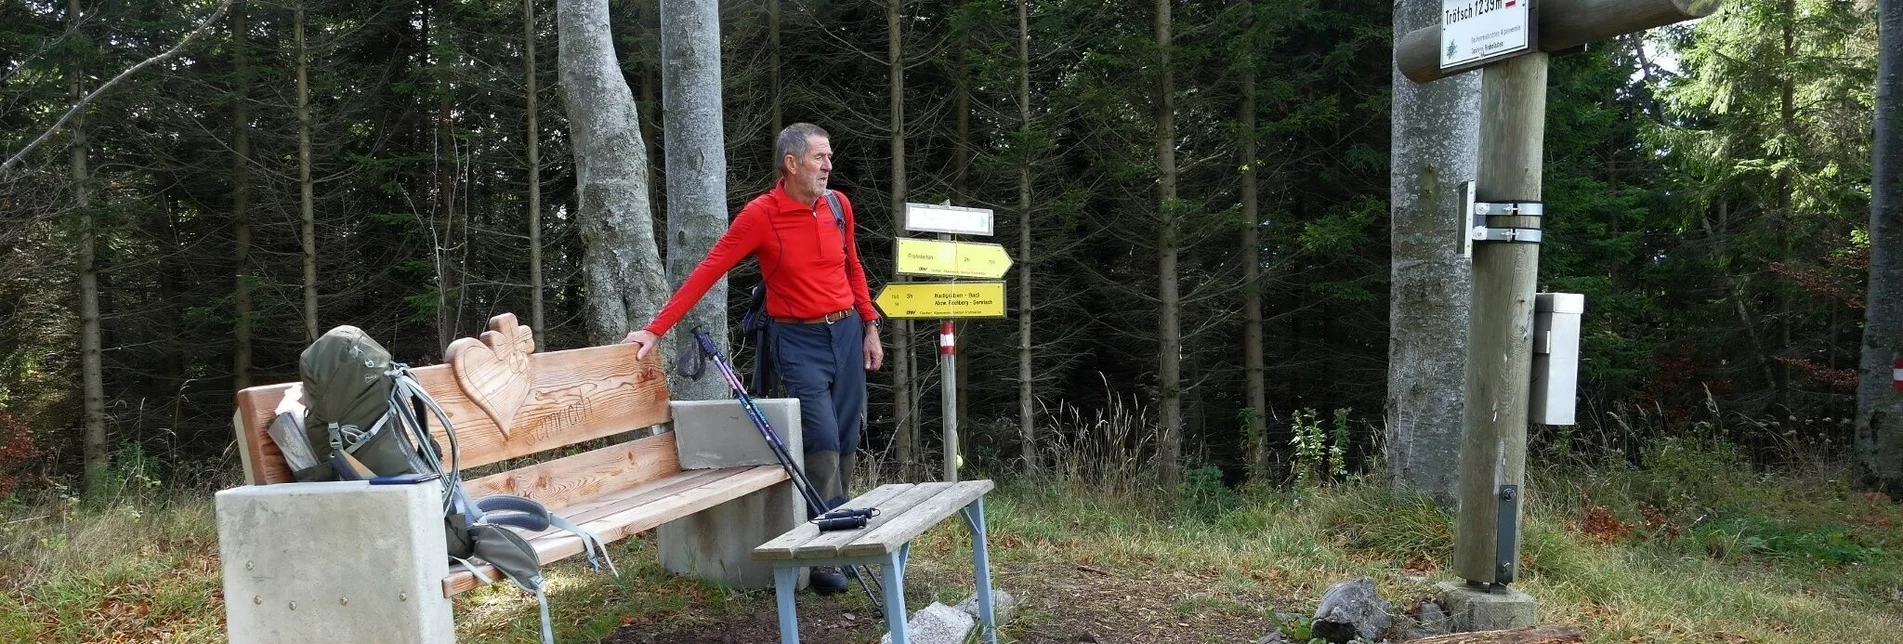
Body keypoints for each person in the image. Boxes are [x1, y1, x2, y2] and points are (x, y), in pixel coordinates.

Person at [624, 122, 883, 594]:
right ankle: (823, 549)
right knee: (821, 435)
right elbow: (709, 269)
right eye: (819, 158)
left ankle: (843, 531)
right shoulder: (761, 215)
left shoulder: (837, 205)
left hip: (846, 331)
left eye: (829, 157)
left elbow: (853, 266)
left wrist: (870, 326)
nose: (829, 166)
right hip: (797, 340)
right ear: (791, 162)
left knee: (847, 435)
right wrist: (656, 329)